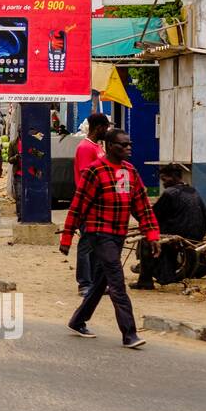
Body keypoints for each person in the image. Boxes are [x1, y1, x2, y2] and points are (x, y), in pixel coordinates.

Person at [60, 128, 159, 349]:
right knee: (116, 279)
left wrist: (152, 234)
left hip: (118, 233)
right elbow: (78, 206)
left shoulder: (131, 172)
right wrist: (67, 238)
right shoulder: (94, 171)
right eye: (123, 145)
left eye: (129, 144)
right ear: (109, 146)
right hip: (98, 232)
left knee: (101, 280)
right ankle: (129, 333)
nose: (128, 148)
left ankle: (78, 320)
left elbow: (142, 207)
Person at [134, 163, 206, 290]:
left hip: (178, 232)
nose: (163, 183)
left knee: (146, 240)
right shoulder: (193, 190)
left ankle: (145, 280)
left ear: (174, 177)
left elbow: (154, 216)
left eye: (164, 179)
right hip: (197, 234)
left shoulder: (170, 193)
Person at [72, 113, 112, 297]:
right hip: (88, 204)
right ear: (98, 128)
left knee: (97, 245)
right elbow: (85, 178)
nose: (108, 130)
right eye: (106, 127)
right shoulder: (85, 148)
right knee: (86, 244)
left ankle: (96, 283)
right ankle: (84, 283)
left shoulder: (97, 147)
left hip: (100, 205)